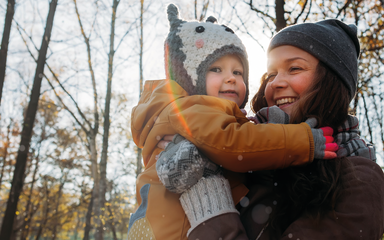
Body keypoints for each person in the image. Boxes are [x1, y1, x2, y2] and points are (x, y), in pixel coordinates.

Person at [128, 4, 337, 240]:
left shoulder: (195, 112)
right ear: (189, 78)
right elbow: (235, 143)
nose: (231, 78)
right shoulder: (191, 108)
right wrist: (302, 140)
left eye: (238, 72)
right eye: (216, 69)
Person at [173, 19, 384, 240]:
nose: (274, 84)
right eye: (271, 74)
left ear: (331, 81)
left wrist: (210, 210)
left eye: (294, 68)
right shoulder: (244, 151)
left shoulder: (359, 178)